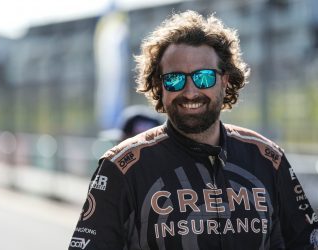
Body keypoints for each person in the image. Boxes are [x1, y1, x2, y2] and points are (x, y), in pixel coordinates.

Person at [69, 10, 318, 250]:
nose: (190, 92)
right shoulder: (122, 166)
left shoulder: (268, 158)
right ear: (159, 86)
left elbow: (306, 242)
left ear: (225, 80)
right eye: (175, 79)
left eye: (204, 77)